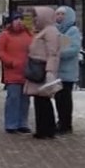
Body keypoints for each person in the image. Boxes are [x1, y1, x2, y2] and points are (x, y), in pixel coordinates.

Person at [23, 7, 62, 139]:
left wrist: (50, 71)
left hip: (42, 69)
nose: (34, 19)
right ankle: (43, 128)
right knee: (40, 100)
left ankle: (46, 129)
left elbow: (53, 53)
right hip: (37, 68)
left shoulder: (50, 31)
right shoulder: (43, 30)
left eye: (36, 16)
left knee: (43, 100)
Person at [0, 13, 33, 133]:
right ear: (11, 22)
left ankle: (23, 123)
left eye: (21, 19)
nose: (19, 22)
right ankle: (11, 124)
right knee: (13, 98)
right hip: (12, 72)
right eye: (16, 19)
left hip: (27, 72)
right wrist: (10, 62)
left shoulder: (28, 34)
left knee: (25, 99)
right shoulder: (5, 35)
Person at [53, 5, 82, 133]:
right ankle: (61, 121)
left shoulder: (72, 31)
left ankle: (66, 124)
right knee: (59, 98)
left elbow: (74, 49)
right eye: (58, 14)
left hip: (67, 72)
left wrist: (58, 53)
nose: (59, 16)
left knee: (65, 99)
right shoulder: (57, 30)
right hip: (58, 71)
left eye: (62, 14)